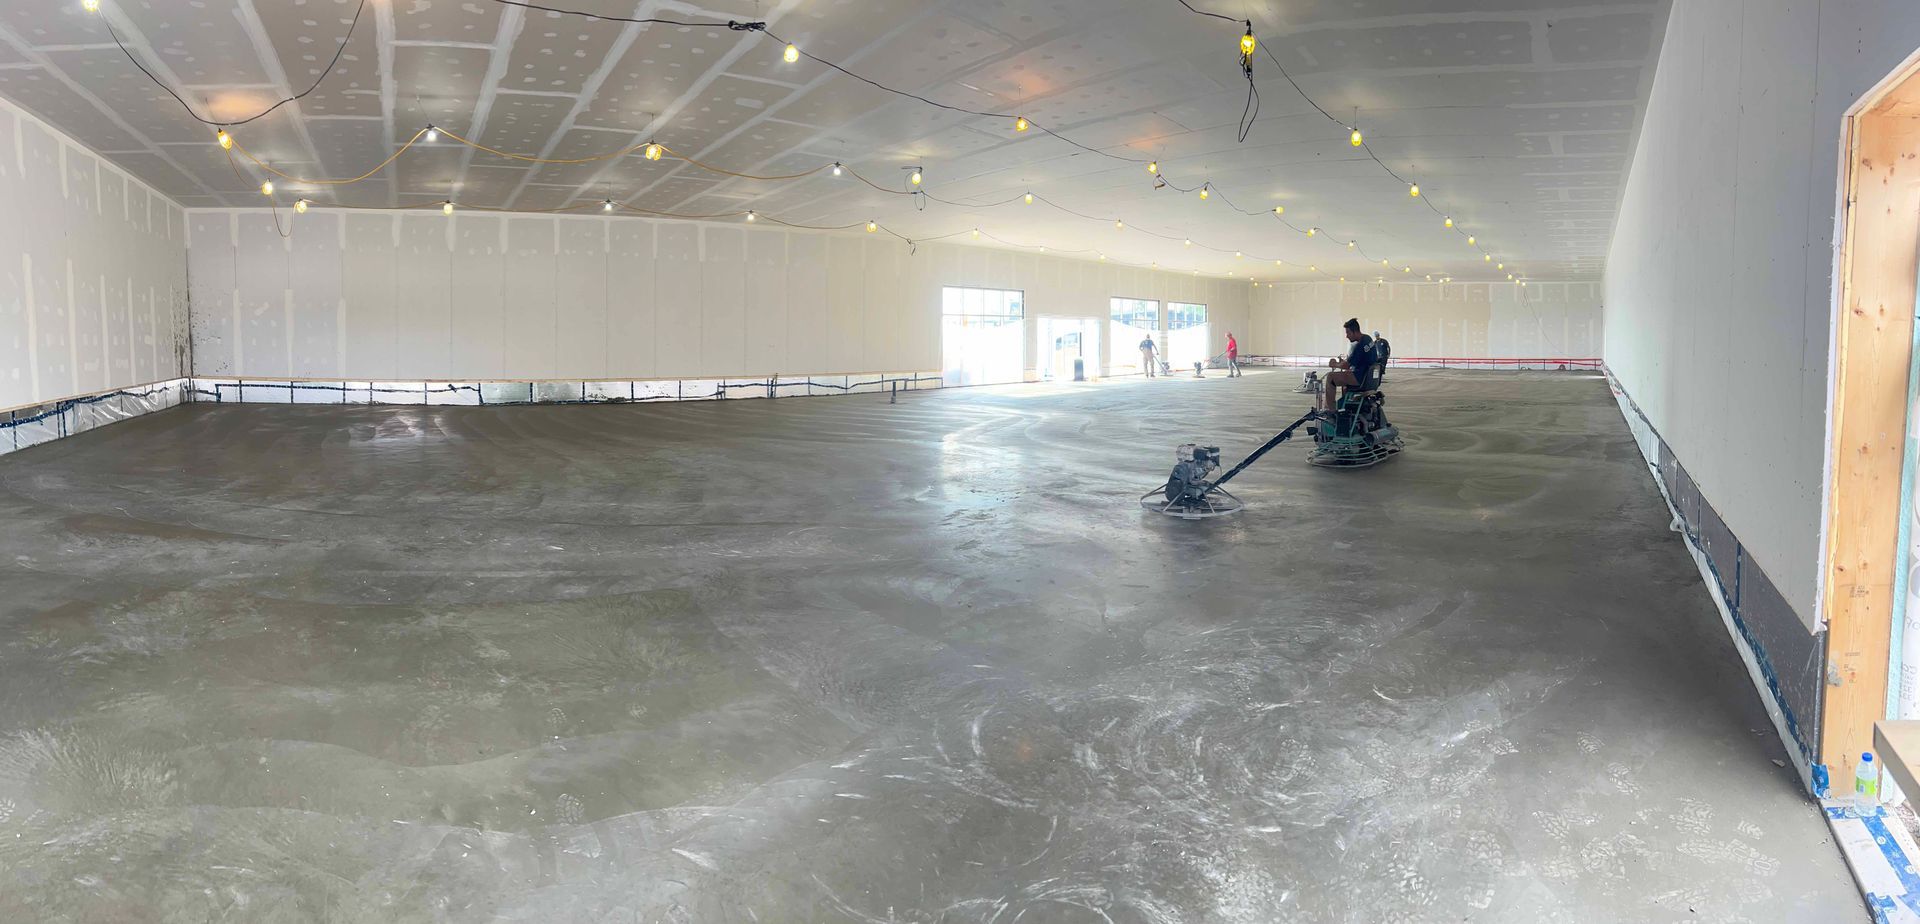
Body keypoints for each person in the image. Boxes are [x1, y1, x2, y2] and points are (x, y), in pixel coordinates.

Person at [1320, 318, 1373, 414]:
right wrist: (1344, 365)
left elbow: (1346, 365)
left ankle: (1330, 410)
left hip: (1360, 378)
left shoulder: (1359, 346)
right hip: (1369, 378)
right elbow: (1355, 361)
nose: (1347, 336)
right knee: (1345, 375)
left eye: (1348, 333)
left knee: (1331, 377)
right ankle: (1346, 407)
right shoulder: (1368, 339)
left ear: (1355, 332)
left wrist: (1334, 364)